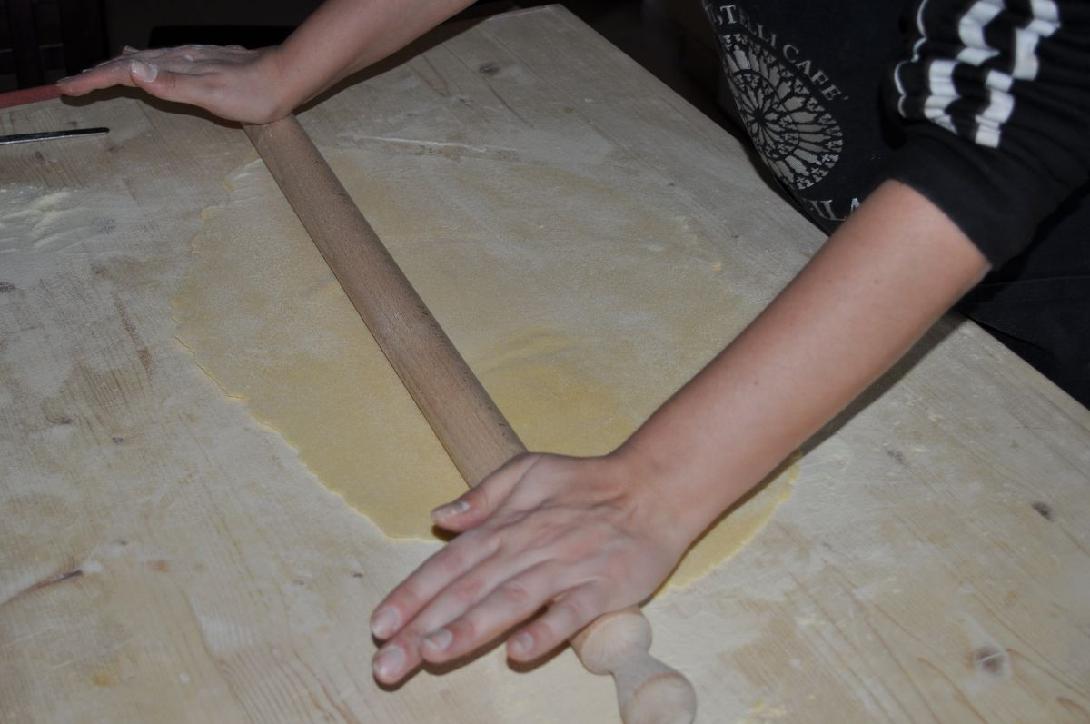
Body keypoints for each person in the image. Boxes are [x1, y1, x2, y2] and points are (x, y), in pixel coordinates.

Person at [58, 0, 1089, 687]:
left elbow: (1022, 122)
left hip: (1042, 317)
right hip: (837, 241)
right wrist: (291, 69)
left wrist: (654, 489)